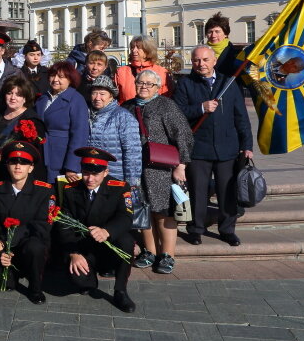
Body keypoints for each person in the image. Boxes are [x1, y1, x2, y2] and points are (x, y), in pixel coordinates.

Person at [172, 46, 253, 247]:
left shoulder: (229, 83)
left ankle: (227, 230)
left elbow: (241, 117)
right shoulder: (185, 84)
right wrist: (201, 108)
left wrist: (247, 145)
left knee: (228, 192)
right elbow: (177, 113)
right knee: (198, 192)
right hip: (198, 148)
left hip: (227, 148)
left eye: (206, 60)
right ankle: (196, 229)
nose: (201, 64)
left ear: (214, 61)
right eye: (197, 60)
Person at [122, 68, 194, 274]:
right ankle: (150, 251)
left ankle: (168, 255)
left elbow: (183, 135)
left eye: (149, 84)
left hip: (161, 169)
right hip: (136, 168)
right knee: (142, 210)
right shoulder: (127, 107)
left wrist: (182, 165)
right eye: (140, 83)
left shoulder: (166, 106)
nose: (144, 87)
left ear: (157, 87)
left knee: (164, 213)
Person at [56, 147, 136, 313]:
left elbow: (126, 217)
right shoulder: (71, 190)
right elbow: (65, 223)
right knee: (80, 281)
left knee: (127, 241)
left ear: (105, 172)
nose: (89, 179)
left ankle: (120, 290)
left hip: (109, 244)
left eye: (95, 174)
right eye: (85, 173)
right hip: (84, 247)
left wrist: (107, 231)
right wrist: (73, 253)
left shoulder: (119, 187)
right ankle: (90, 279)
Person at [0, 141, 54, 305]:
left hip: (29, 245)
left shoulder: (44, 190)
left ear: (31, 167)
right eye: (13, 162)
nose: (18, 166)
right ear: (7, 165)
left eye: (24, 162)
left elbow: (41, 226)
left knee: (35, 247)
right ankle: (12, 275)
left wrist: (6, 242)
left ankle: (35, 287)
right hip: (4, 246)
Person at [0, 77, 47, 188]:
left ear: (25, 98)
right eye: (10, 93)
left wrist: (3, 154)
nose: (13, 98)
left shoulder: (32, 121)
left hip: (17, 177)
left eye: (18, 95)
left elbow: (32, 153)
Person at [34, 62, 88, 184]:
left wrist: (72, 166)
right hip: (41, 154)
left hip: (61, 157)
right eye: (53, 75)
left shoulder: (76, 99)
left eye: (61, 77)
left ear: (70, 79)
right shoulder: (43, 98)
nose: (56, 80)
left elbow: (80, 135)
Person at [87, 75, 142, 189]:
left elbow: (132, 152)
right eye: (94, 93)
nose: (97, 98)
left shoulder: (123, 116)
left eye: (102, 94)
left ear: (111, 96)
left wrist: (131, 182)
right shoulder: (85, 113)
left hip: (115, 177)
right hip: (89, 178)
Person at [115, 35, 172, 104]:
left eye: (138, 48)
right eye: (132, 47)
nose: (134, 50)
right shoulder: (121, 71)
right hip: (127, 112)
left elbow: (167, 99)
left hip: (154, 113)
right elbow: (113, 98)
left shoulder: (162, 72)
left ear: (148, 50)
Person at [205, 12, 245, 79]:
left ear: (226, 33)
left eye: (217, 31)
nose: (213, 35)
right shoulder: (201, 53)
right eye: (210, 32)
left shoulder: (236, 53)